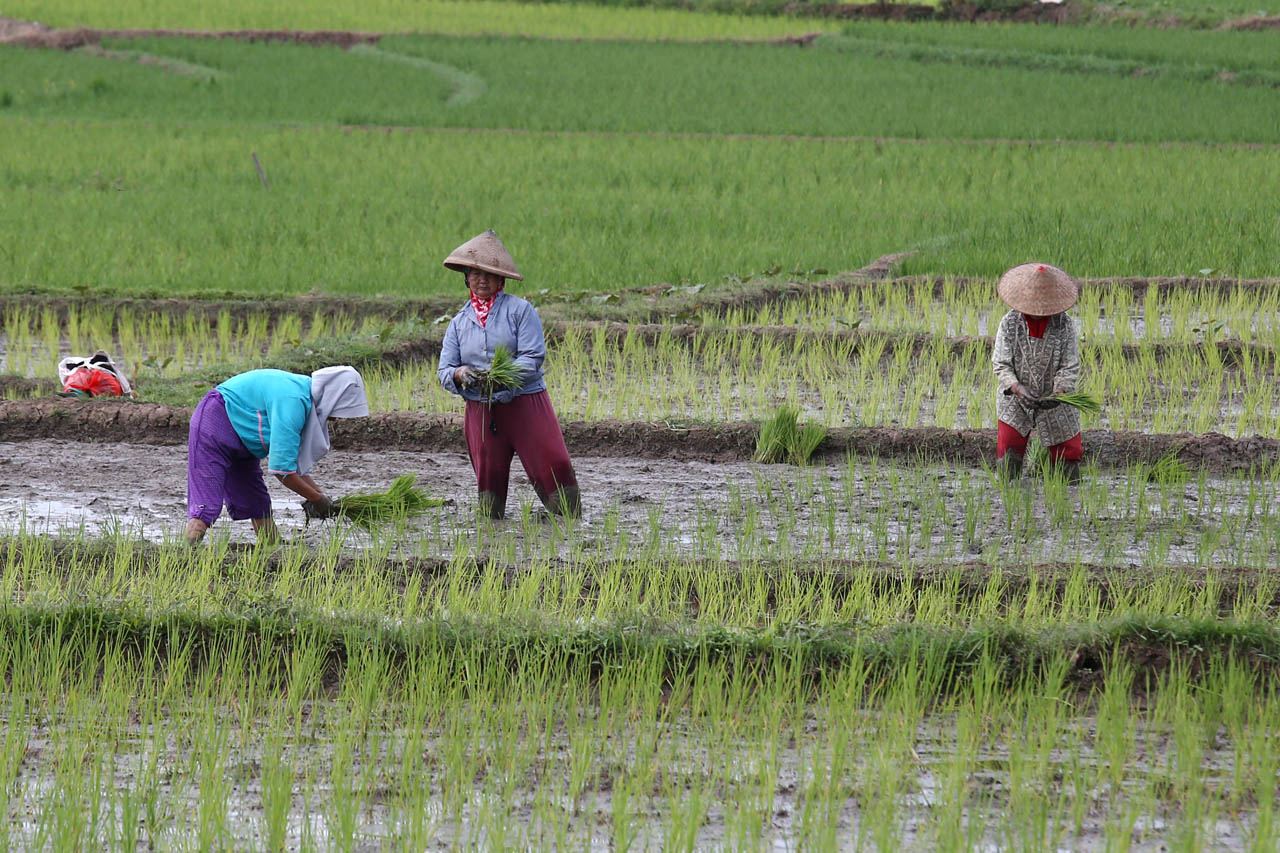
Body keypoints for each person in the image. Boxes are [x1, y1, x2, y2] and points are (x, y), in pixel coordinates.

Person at [437, 230, 581, 520]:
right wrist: (460, 374)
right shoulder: (458, 323)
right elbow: (444, 370)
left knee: (553, 464)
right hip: (481, 411)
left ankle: (571, 525)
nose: (482, 280)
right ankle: (492, 533)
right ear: (466, 277)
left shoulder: (520, 311)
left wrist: (501, 376)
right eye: (475, 273)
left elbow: (533, 357)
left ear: (500, 278)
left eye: (489, 274)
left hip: (526, 405)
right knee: (489, 478)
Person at [185, 366, 368, 544]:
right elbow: (282, 471)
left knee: (258, 503)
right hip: (214, 423)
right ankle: (185, 558)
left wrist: (320, 495)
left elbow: (293, 465)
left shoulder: (306, 399)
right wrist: (316, 499)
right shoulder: (293, 401)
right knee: (206, 507)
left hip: (243, 439)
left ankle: (271, 550)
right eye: (340, 410)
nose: (338, 418)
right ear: (332, 398)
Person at [991, 263, 1083, 482]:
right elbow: (1001, 364)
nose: (1039, 313)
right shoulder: (1010, 324)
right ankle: (1009, 494)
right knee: (1010, 450)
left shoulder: (1064, 325)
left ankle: (1068, 496)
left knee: (1067, 451)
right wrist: (1017, 388)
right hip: (1015, 397)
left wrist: (1059, 391)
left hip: (1056, 398)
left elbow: (1069, 365)